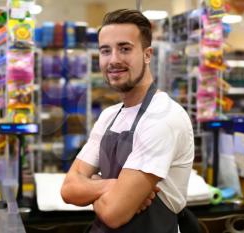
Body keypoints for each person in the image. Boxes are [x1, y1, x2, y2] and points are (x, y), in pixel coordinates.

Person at [61, 9, 194, 233]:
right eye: (105, 51)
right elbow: (68, 189)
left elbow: (114, 213)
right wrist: (112, 185)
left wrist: (92, 183)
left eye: (125, 48)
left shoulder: (163, 117)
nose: (113, 60)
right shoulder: (109, 116)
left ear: (147, 54)